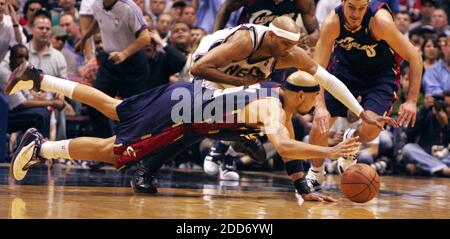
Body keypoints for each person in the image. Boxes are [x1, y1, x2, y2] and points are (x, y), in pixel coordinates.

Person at [6, 62, 367, 202]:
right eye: (315, 97)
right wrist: (329, 153)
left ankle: (40, 78)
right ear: (301, 94)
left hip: (183, 93)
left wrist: (304, 186)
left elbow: (288, 151)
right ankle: (42, 147)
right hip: (181, 114)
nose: (315, 104)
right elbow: (286, 143)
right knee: (111, 150)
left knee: (114, 107)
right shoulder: (273, 108)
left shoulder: (275, 92)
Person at [191, 16, 396, 186]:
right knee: (209, 115)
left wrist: (361, 113)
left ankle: (237, 144)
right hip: (207, 72)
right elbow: (198, 68)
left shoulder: (291, 54)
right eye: (286, 44)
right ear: (271, 36)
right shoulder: (245, 41)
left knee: (271, 113)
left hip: (239, 82)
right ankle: (229, 144)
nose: (289, 50)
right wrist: (240, 82)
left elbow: (330, 81)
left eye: (293, 45)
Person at [306, 0, 422, 191]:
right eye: (351, 7)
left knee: (371, 130)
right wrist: (320, 107)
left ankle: (352, 142)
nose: (356, 14)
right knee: (320, 124)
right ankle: (316, 174)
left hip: (381, 74)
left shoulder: (380, 22)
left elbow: (415, 57)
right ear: (342, 2)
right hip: (345, 70)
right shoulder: (332, 23)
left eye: (361, 8)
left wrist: (410, 101)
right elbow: (316, 69)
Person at [75, 0, 151, 139]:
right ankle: (104, 146)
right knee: (94, 102)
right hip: (110, 60)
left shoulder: (129, 8)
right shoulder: (96, 4)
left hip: (133, 63)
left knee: (133, 110)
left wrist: (124, 54)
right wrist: (84, 38)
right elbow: (99, 21)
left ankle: (134, 152)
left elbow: (145, 37)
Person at [213, 0, 320, 47]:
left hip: (281, 46)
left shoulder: (302, 1)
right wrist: (214, 39)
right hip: (249, 42)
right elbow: (225, 9)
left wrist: (309, 40)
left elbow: (315, 32)